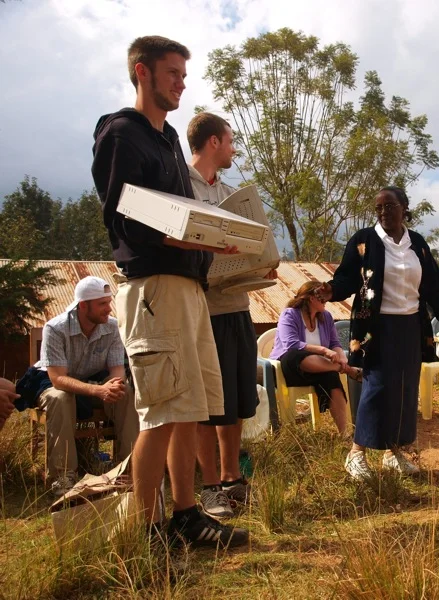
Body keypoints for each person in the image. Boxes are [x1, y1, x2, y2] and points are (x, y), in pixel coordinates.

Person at [91, 36, 247, 549]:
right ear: (143, 72)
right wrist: (192, 236)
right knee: (159, 412)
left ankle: (185, 515)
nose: (183, 82)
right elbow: (124, 216)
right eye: (173, 73)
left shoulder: (169, 140)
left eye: (184, 73)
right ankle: (146, 533)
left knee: (190, 409)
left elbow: (184, 216)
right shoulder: (121, 134)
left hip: (189, 289)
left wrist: (216, 242)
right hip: (152, 288)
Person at [318, 186, 439, 479]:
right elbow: (347, 277)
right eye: (379, 208)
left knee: (405, 389)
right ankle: (356, 453)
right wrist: (330, 290)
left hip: (411, 325)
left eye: (389, 206)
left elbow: (434, 288)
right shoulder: (364, 241)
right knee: (377, 386)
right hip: (376, 327)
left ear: (404, 207)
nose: (384, 212)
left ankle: (393, 452)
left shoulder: (419, 244)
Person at [186, 111, 265, 519]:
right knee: (206, 405)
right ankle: (210, 486)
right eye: (230, 140)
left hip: (238, 307)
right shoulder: (179, 185)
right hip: (200, 311)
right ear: (213, 141)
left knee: (235, 401)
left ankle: (233, 478)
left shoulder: (234, 194)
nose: (234, 148)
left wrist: (261, 263)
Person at [21, 277, 139, 496]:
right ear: (84, 305)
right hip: (55, 379)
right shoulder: (55, 328)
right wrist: (98, 391)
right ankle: (63, 476)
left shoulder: (112, 327)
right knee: (60, 398)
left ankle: (128, 467)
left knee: (126, 392)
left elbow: (116, 370)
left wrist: (114, 386)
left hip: (94, 379)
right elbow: (58, 379)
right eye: (102, 304)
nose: (108, 309)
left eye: (109, 302)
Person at [270, 281, 357, 434]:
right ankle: (347, 370)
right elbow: (291, 344)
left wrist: (341, 357)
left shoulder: (326, 317)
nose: (326, 301)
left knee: (332, 377)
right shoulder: (290, 314)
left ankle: (345, 434)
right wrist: (323, 351)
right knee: (296, 354)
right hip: (291, 369)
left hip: (318, 367)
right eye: (322, 297)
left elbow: (335, 343)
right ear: (311, 298)